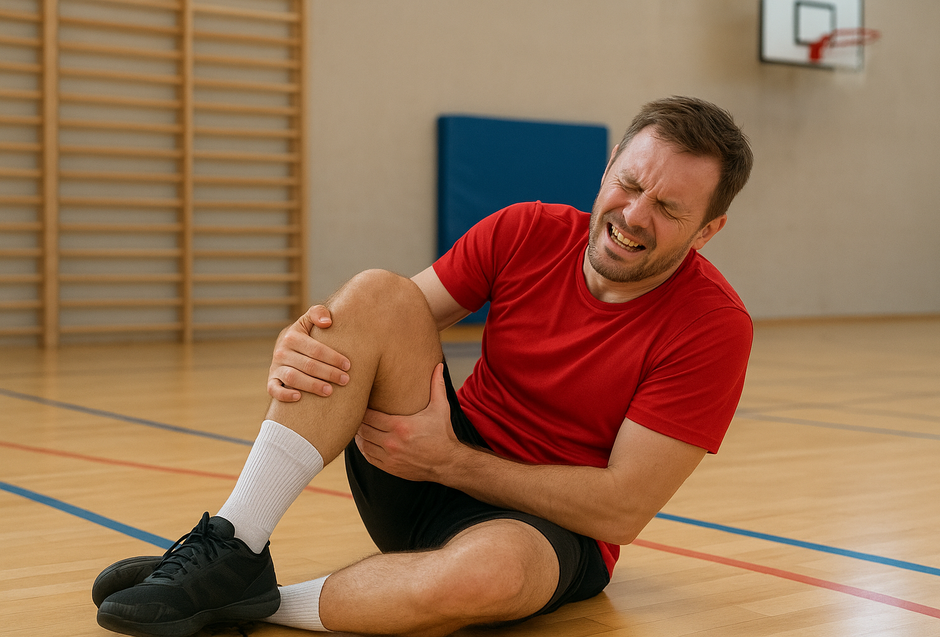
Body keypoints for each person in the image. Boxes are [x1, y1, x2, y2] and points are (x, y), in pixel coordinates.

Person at [93, 95, 754, 637]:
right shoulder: (527, 229)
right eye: (630, 184)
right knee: (377, 291)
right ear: (608, 168)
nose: (634, 215)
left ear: (707, 230)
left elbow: (620, 510)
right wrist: (304, 340)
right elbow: (381, 318)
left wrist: (450, 462)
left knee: (485, 579)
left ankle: (247, 599)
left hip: (546, 527)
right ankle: (234, 542)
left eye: (669, 209)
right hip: (419, 456)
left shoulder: (713, 325)